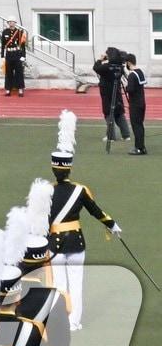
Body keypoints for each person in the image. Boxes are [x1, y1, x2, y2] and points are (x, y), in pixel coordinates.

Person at [47, 116, 120, 330]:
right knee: (76, 283)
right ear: (69, 169)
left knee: (59, 285)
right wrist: (112, 225)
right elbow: (96, 212)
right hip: (76, 242)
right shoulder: (80, 190)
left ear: (54, 169)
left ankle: (59, 320)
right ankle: (74, 322)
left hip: (55, 243)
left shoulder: (45, 192)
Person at [124, 52, 147, 155]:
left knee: (136, 126)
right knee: (140, 125)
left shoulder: (132, 75)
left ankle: (138, 148)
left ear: (128, 63)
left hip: (135, 104)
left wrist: (126, 87)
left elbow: (131, 89)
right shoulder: (140, 72)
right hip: (142, 103)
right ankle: (142, 146)